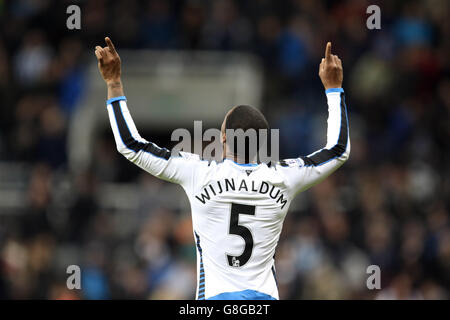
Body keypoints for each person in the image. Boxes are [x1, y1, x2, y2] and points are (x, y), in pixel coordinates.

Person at [94, 37, 349, 300]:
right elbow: (338, 150)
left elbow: (130, 145)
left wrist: (114, 83)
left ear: (224, 138)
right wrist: (334, 89)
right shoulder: (283, 177)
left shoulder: (198, 172)